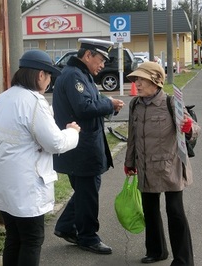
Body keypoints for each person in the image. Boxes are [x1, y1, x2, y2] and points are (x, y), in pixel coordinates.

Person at [0, 49, 81, 266]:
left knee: (14, 237)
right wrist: (72, 132)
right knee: (32, 239)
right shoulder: (34, 101)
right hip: (26, 184)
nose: (49, 81)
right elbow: (55, 142)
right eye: (49, 76)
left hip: (5, 182)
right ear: (41, 75)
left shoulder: (3, 98)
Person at [52, 38, 124, 255]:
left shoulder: (82, 75)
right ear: (88, 55)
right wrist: (108, 104)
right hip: (81, 149)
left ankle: (66, 227)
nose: (103, 64)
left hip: (84, 147)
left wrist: (110, 106)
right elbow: (84, 107)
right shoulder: (75, 75)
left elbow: (94, 101)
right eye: (101, 59)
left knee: (85, 192)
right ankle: (88, 237)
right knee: (88, 194)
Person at [124, 61, 200, 265]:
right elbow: (132, 136)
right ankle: (156, 251)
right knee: (149, 210)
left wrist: (189, 128)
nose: (136, 84)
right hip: (145, 166)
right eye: (136, 79)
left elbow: (194, 129)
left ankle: (183, 260)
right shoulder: (135, 105)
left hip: (170, 166)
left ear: (156, 81)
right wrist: (129, 161)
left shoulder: (171, 102)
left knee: (175, 212)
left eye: (141, 79)